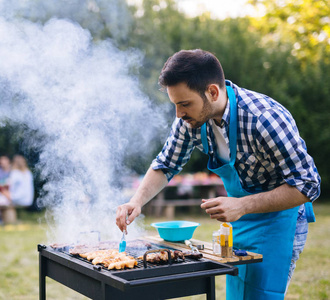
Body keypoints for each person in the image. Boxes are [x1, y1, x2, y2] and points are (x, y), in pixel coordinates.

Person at [115, 49, 320, 299]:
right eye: (175, 105)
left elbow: (308, 184)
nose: (179, 114)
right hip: (239, 221)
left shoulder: (264, 119)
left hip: (280, 222)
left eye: (185, 104)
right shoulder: (189, 121)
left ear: (212, 92)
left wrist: (242, 205)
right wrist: (135, 202)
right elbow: (166, 164)